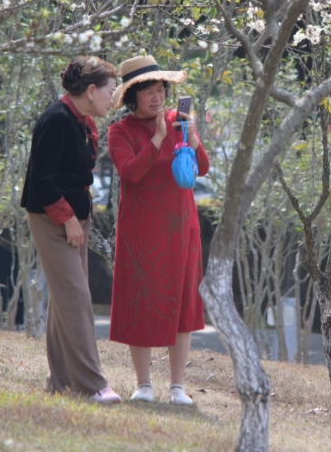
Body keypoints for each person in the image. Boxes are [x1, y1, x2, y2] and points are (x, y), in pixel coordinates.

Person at [106, 55, 209, 405]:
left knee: (182, 305)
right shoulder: (120, 131)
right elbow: (130, 172)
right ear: (132, 97)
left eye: (161, 89)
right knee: (142, 301)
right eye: (149, 91)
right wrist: (157, 139)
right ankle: (144, 384)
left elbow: (202, 168)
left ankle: (177, 386)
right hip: (141, 231)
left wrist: (192, 136)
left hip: (181, 228)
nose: (157, 97)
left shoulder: (177, 121)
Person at [20, 57, 122, 404]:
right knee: (76, 297)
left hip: (76, 216)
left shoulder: (82, 120)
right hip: (53, 220)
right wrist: (67, 220)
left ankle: (60, 382)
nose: (114, 98)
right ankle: (92, 385)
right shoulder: (58, 119)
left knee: (64, 300)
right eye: (110, 91)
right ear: (91, 91)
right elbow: (41, 178)